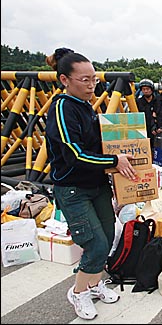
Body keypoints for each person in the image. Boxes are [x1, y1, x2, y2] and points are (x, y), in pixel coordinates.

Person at [44, 48, 137, 320]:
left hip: (96, 185)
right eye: (84, 80)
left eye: (94, 79)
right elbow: (74, 154)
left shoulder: (86, 106)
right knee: (94, 243)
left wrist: (129, 159)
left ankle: (94, 284)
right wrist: (114, 160)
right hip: (73, 189)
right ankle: (78, 291)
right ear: (64, 80)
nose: (91, 85)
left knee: (107, 237)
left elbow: (102, 146)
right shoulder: (62, 108)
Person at [136, 78, 160, 150]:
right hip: (143, 129)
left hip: (155, 129)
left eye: (147, 89)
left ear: (152, 89)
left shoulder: (158, 101)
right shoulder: (138, 102)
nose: (146, 91)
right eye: (143, 89)